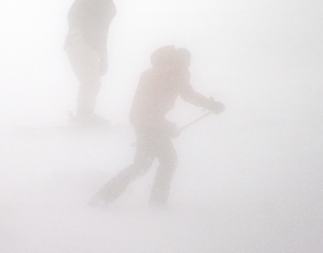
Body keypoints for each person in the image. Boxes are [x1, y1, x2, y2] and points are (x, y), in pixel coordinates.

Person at [90, 46, 225, 207]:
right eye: (187, 62)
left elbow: (151, 102)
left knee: (143, 165)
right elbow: (187, 94)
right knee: (166, 161)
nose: (187, 65)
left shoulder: (153, 71)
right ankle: (155, 204)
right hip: (151, 123)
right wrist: (210, 105)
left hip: (142, 120)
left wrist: (165, 126)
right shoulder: (176, 70)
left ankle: (102, 198)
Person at [64, 0, 124, 125]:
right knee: (90, 80)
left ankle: (85, 114)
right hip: (76, 43)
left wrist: (103, 58)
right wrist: (76, 36)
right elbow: (73, 15)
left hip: (90, 48)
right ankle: (84, 116)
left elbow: (103, 35)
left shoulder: (110, 8)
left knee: (93, 81)